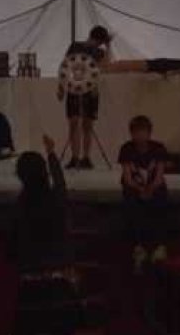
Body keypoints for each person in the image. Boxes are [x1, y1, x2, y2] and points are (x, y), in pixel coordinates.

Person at [11, 134, 78, 335]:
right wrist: (51, 153)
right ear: (44, 172)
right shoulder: (56, 200)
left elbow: (12, 249)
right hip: (60, 287)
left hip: (30, 288)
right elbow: (60, 183)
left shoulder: (19, 207)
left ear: (20, 176)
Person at [118, 115, 169, 271]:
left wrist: (150, 189)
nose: (140, 135)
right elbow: (127, 178)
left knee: (161, 200)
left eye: (143, 131)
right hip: (135, 187)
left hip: (153, 186)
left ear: (149, 133)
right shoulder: (127, 149)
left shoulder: (158, 149)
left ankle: (159, 245)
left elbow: (159, 177)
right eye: (136, 132)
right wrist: (140, 190)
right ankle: (138, 246)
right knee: (132, 203)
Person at [58, 25, 112, 169]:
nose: (97, 45)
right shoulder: (75, 46)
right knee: (74, 123)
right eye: (98, 42)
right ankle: (75, 157)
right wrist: (61, 88)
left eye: (100, 43)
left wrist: (108, 47)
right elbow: (65, 66)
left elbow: (106, 66)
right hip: (74, 88)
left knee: (88, 124)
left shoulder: (100, 52)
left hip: (91, 89)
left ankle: (86, 158)